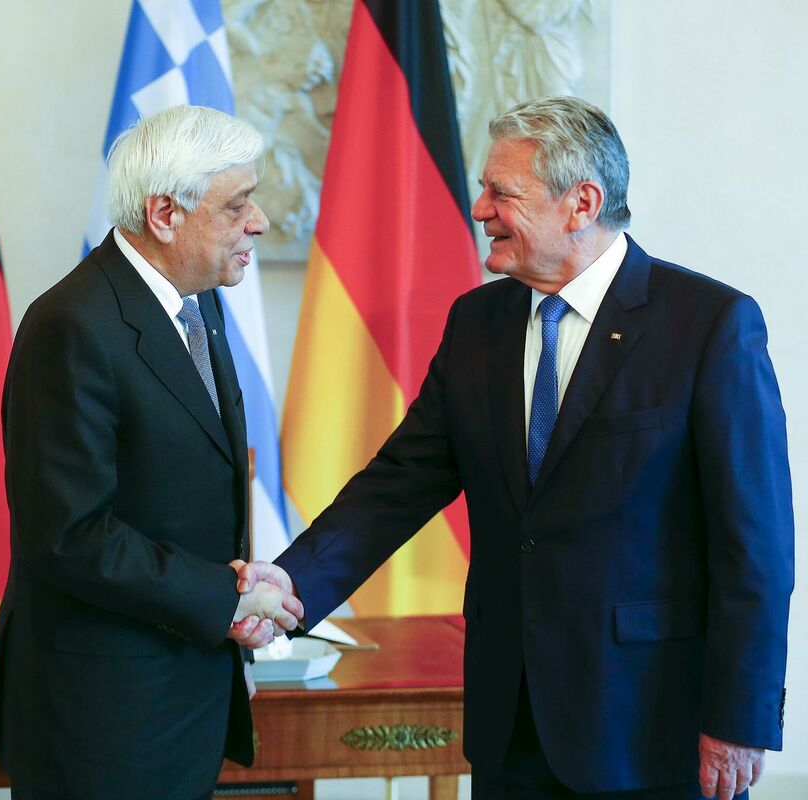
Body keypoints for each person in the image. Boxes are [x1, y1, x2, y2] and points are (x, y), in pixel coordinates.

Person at [235, 96, 793, 800]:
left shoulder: (708, 326)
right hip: (511, 722)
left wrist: (740, 716)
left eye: (502, 193)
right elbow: (399, 483)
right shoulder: (478, 322)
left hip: (649, 722)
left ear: (581, 204)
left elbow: (755, 545)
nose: (480, 210)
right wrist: (292, 583)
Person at [0, 105, 302, 800]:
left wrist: (235, 594)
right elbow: (68, 535)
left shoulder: (198, 301)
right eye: (237, 204)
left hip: (183, 691)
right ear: (164, 215)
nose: (258, 221)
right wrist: (224, 597)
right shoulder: (71, 326)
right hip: (101, 717)